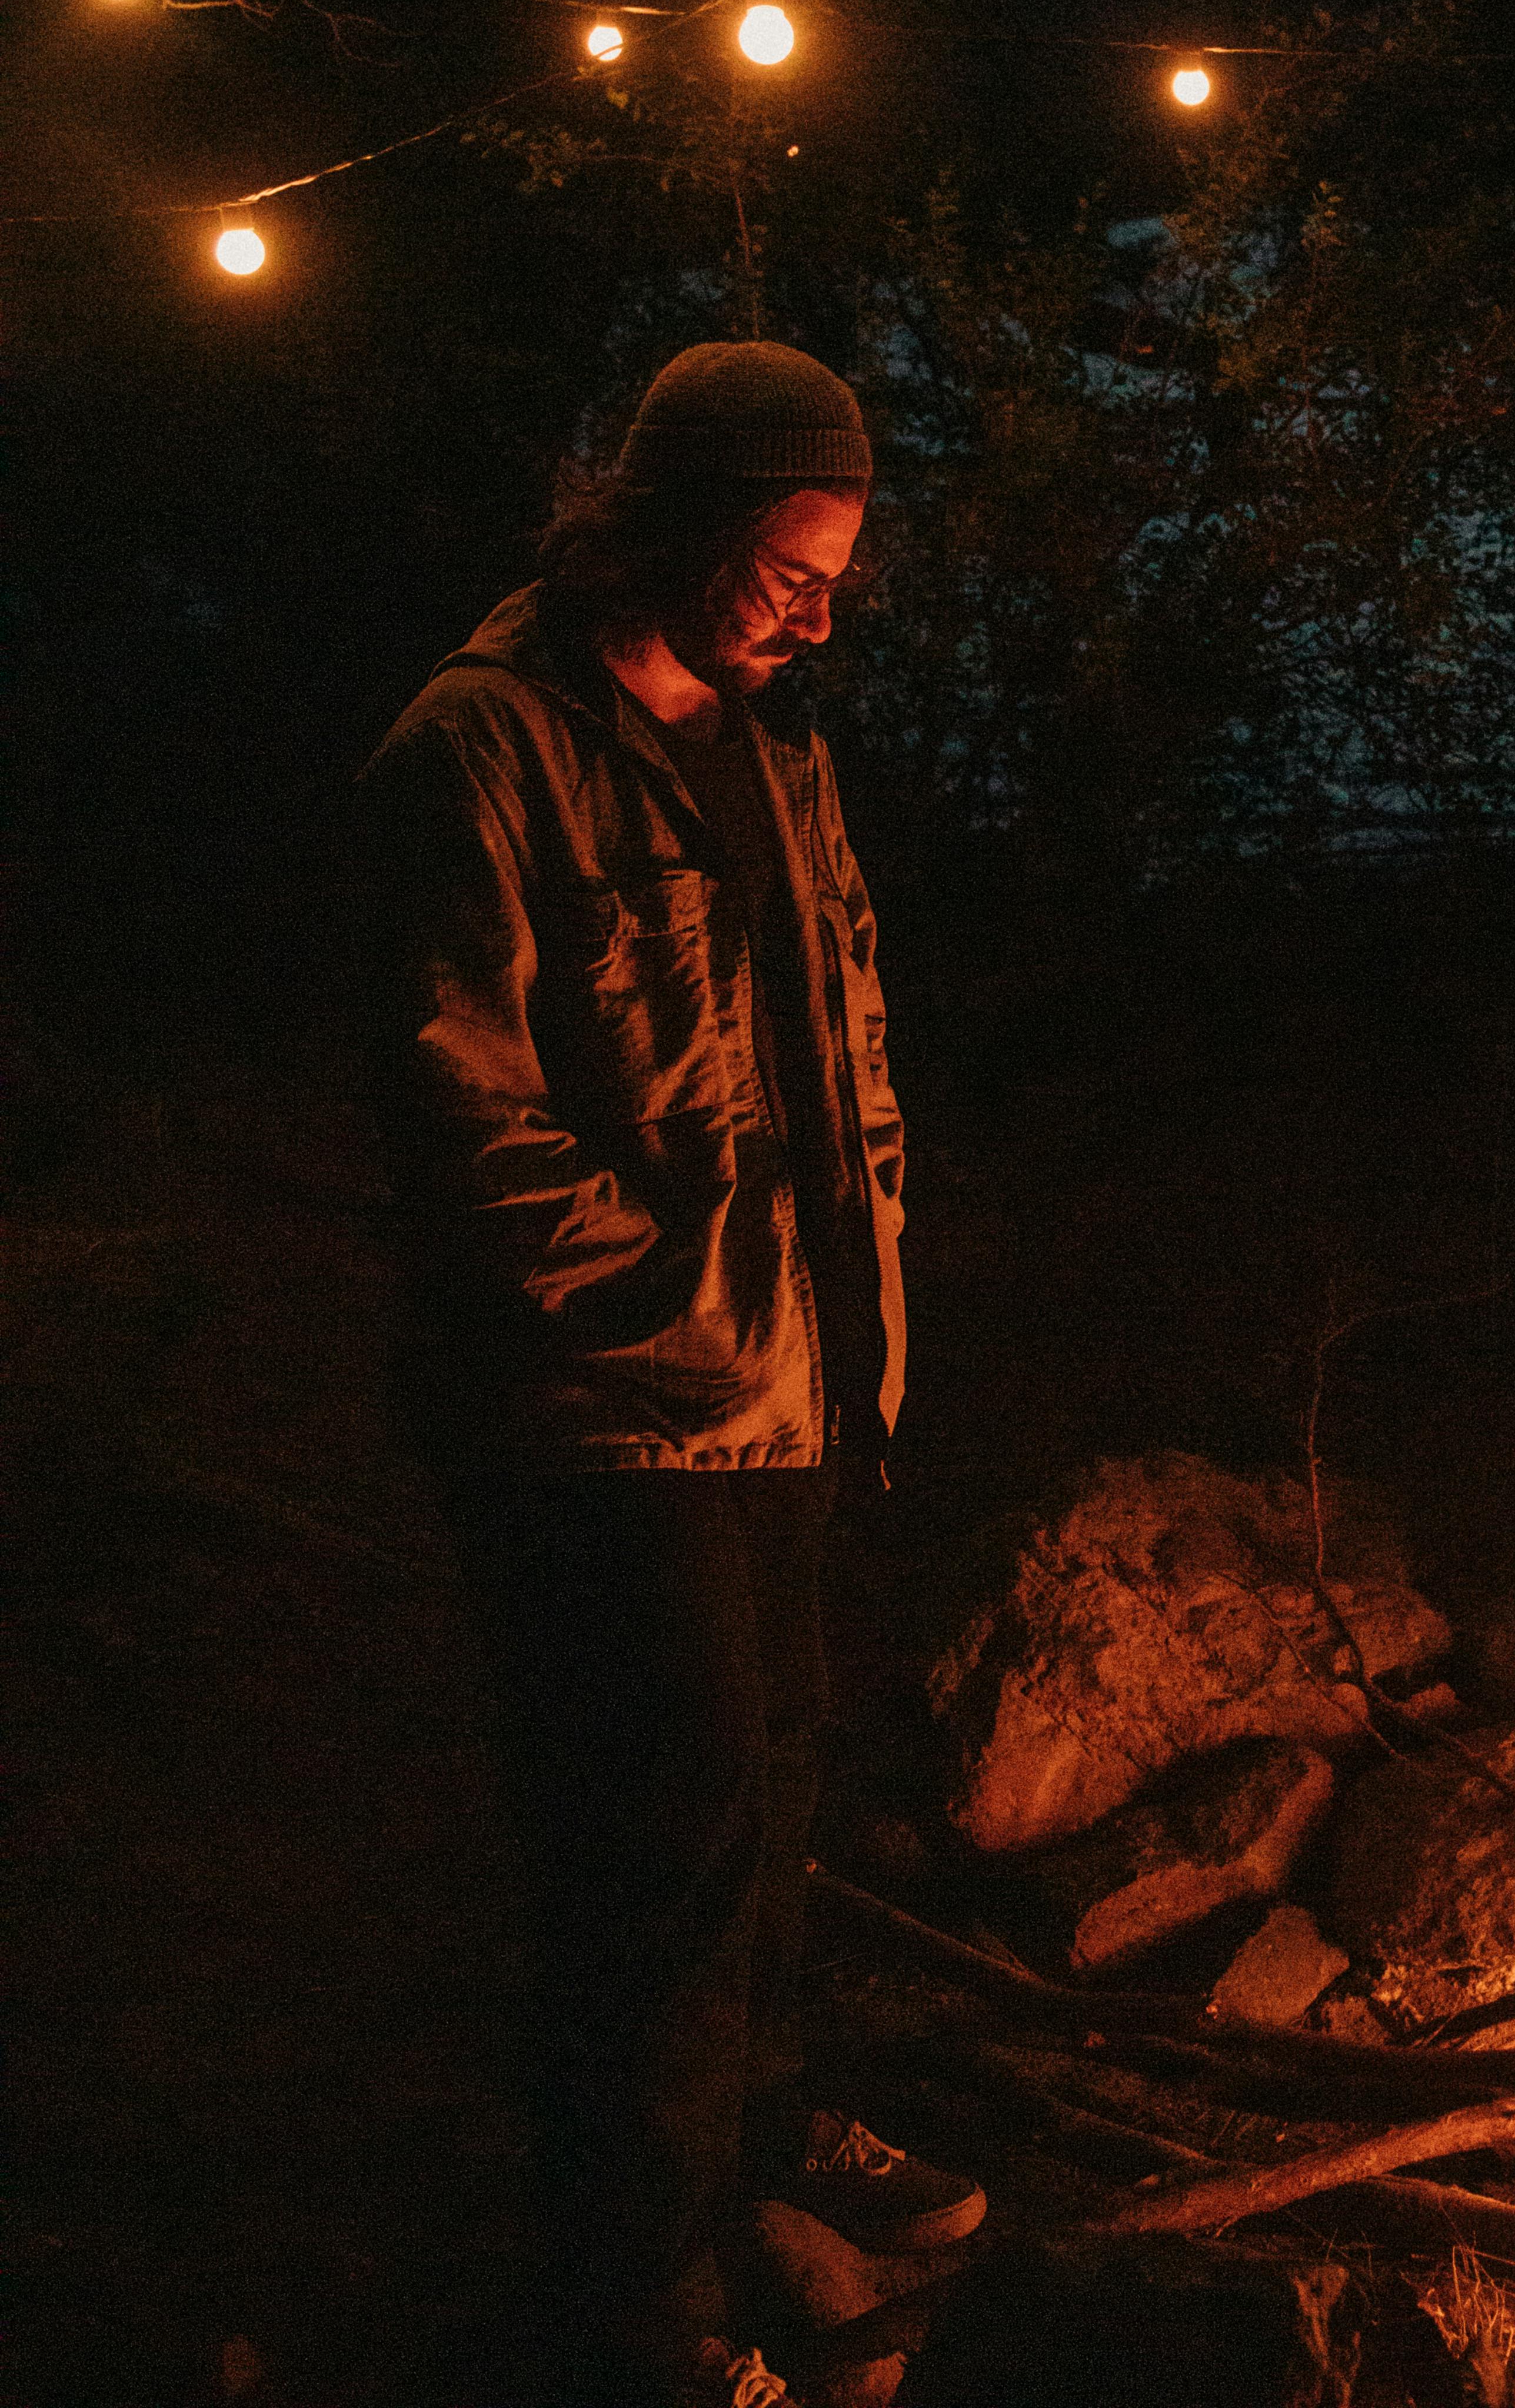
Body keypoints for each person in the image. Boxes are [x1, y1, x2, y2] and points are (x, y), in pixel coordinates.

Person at [358, 341, 981, 2408]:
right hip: (603, 1417)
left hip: (783, 1386)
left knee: (773, 1781)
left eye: (837, 577)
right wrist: (685, 1321)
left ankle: (752, 2161)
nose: (822, 612)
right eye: (791, 568)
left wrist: (850, 1322)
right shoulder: (481, 754)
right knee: (654, 1847)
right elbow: (464, 1118)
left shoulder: (765, 750)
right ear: (682, 527)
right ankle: (639, 2312)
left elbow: (843, 1061)